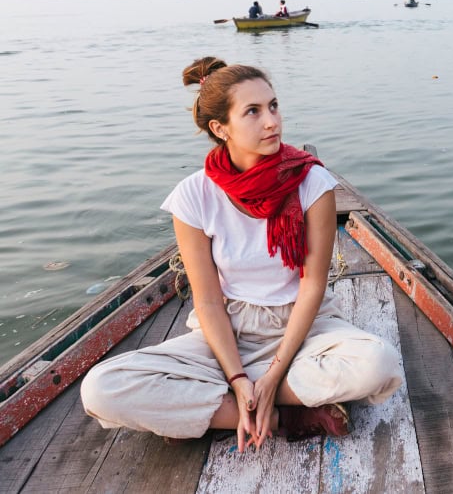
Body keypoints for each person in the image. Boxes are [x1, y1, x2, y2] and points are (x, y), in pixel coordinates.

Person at [81, 57, 403, 451]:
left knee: (378, 364)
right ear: (220, 128)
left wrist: (271, 376)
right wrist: (238, 379)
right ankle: (286, 414)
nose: (272, 121)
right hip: (227, 331)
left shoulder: (313, 183)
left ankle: (210, 411)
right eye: (252, 111)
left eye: (273, 106)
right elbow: (208, 300)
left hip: (304, 326)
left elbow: (312, 284)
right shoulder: (193, 196)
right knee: (101, 388)